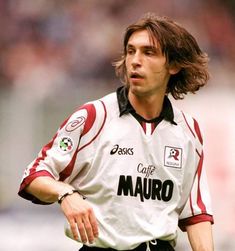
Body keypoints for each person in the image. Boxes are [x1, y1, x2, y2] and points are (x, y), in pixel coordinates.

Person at [18, 13, 214, 251]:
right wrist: (66, 194)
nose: (135, 61)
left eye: (148, 52)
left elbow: (196, 214)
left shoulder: (188, 131)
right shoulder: (93, 117)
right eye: (131, 51)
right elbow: (34, 175)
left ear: (173, 65)